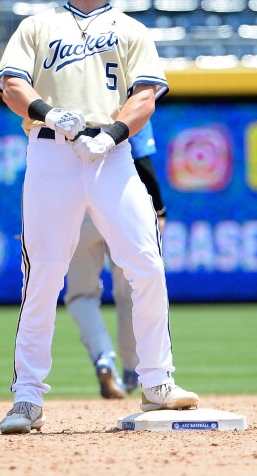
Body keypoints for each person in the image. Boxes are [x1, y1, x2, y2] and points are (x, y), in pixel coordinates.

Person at [0, 0, 199, 434]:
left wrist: (111, 133)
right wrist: (49, 112)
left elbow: (146, 96)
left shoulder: (131, 30)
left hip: (111, 156)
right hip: (51, 155)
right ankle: (27, 398)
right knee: (42, 275)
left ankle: (156, 380)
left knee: (147, 265)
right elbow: (11, 85)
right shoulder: (37, 25)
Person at [64, 122, 166, 399]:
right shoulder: (123, 103)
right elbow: (141, 160)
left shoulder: (62, 103)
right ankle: (134, 370)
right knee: (131, 293)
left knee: (81, 296)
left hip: (75, 210)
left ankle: (103, 359)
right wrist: (159, 210)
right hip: (118, 205)